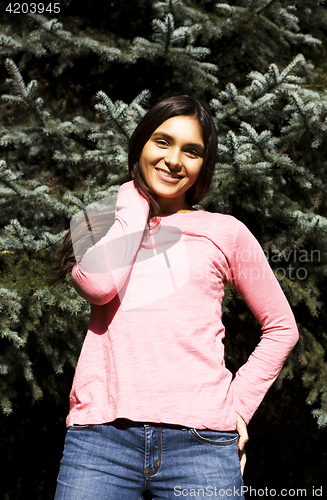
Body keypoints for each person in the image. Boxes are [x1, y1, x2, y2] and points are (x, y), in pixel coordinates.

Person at [52, 95, 299, 500]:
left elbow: (281, 328)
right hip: (100, 441)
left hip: (201, 444)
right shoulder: (99, 226)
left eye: (192, 151)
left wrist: (237, 407)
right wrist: (132, 205)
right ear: (140, 146)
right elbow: (98, 286)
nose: (174, 160)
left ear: (203, 165)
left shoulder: (227, 231)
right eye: (162, 142)